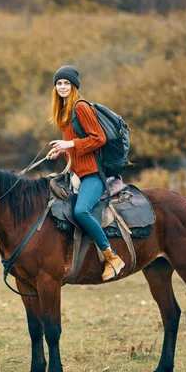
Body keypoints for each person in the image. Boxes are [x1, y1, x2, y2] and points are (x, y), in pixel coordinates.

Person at [47, 65, 125, 281]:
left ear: (74, 86)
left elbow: (98, 138)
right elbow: (74, 147)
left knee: (82, 211)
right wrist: (60, 149)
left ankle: (112, 257)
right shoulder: (63, 111)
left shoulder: (80, 107)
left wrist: (69, 143)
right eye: (59, 83)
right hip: (76, 175)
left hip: (93, 174)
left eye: (66, 83)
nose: (62, 87)